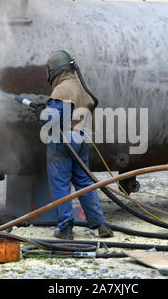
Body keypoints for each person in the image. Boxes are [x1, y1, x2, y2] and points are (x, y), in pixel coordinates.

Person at [43, 50, 114, 240]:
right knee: (84, 183)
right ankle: (100, 224)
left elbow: (56, 118)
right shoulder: (80, 86)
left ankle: (65, 228)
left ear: (55, 70)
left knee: (60, 185)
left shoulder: (63, 89)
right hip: (81, 138)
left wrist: (43, 115)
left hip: (63, 141)